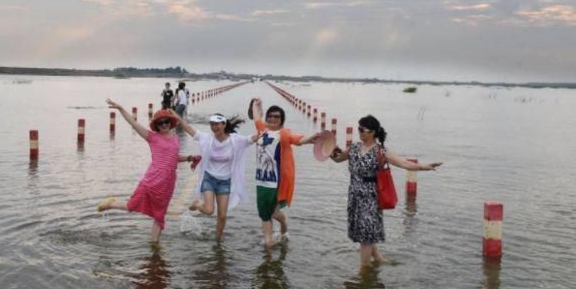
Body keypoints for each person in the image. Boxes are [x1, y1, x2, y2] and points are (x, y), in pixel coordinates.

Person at [331, 115, 442, 272]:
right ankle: (377, 258)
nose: (360, 132)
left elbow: (404, 163)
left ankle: (363, 271)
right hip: (354, 195)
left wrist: (424, 166)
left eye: (363, 129)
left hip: (371, 197)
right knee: (363, 230)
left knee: (366, 234)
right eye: (359, 129)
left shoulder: (381, 151)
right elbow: (337, 159)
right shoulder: (354, 147)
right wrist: (328, 150)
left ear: (373, 132)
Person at [97, 99, 196, 244]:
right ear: (156, 125)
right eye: (160, 123)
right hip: (152, 180)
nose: (164, 125)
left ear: (170, 122)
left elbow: (173, 158)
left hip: (168, 184)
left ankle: (154, 246)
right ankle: (111, 204)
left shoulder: (175, 138)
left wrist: (189, 158)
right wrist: (121, 108)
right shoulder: (152, 137)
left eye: (166, 122)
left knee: (160, 216)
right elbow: (133, 123)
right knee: (131, 206)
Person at [251, 98, 333, 248]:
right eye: (270, 116)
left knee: (274, 214)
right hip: (261, 181)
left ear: (282, 121)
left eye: (276, 117)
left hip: (276, 182)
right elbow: (257, 117)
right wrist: (256, 104)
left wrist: (310, 139)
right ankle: (269, 243)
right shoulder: (262, 130)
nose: (272, 118)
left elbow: (299, 140)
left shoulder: (284, 134)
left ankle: (282, 223)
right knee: (264, 214)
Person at [175, 113, 263, 240]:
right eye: (212, 124)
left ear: (224, 124)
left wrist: (267, 126)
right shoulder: (206, 138)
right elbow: (189, 129)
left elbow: (253, 138)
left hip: (224, 181)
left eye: (217, 124)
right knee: (210, 210)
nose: (214, 127)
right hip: (209, 178)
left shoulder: (236, 140)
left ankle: (218, 240)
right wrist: (178, 118)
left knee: (222, 216)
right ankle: (198, 204)